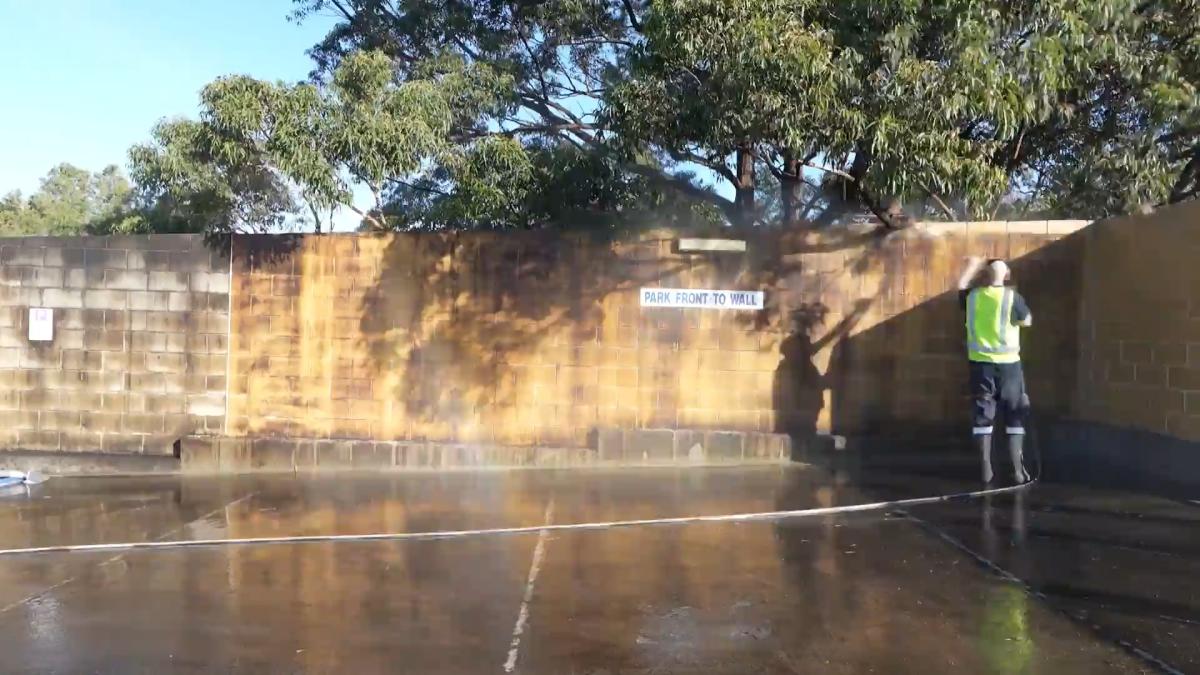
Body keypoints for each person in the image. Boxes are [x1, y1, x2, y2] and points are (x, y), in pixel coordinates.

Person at [958, 258, 1033, 484]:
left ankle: (985, 472)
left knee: (983, 416)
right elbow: (1027, 321)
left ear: (985, 275)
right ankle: (1018, 471)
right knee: (1014, 414)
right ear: (1007, 274)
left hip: (980, 366)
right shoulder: (1012, 298)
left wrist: (971, 265)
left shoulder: (973, 297)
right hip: (1009, 366)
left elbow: (961, 285)